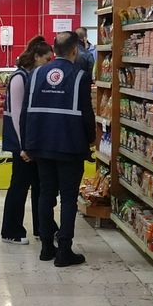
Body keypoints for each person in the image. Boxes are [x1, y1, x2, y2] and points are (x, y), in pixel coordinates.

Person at [20, 31, 96, 267]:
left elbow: (25, 111)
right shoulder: (80, 76)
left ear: (54, 50)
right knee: (69, 199)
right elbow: (86, 113)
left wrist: (26, 144)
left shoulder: (35, 74)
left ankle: (46, 247)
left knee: (45, 194)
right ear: (75, 50)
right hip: (70, 145)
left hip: (41, 145)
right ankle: (64, 250)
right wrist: (91, 139)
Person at [0, 38, 53, 245]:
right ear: (36, 57)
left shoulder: (33, 75)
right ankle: (11, 230)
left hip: (33, 141)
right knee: (19, 185)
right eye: (47, 59)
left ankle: (43, 227)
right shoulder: (19, 77)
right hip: (22, 143)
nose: (49, 63)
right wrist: (23, 146)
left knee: (39, 185)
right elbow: (17, 115)